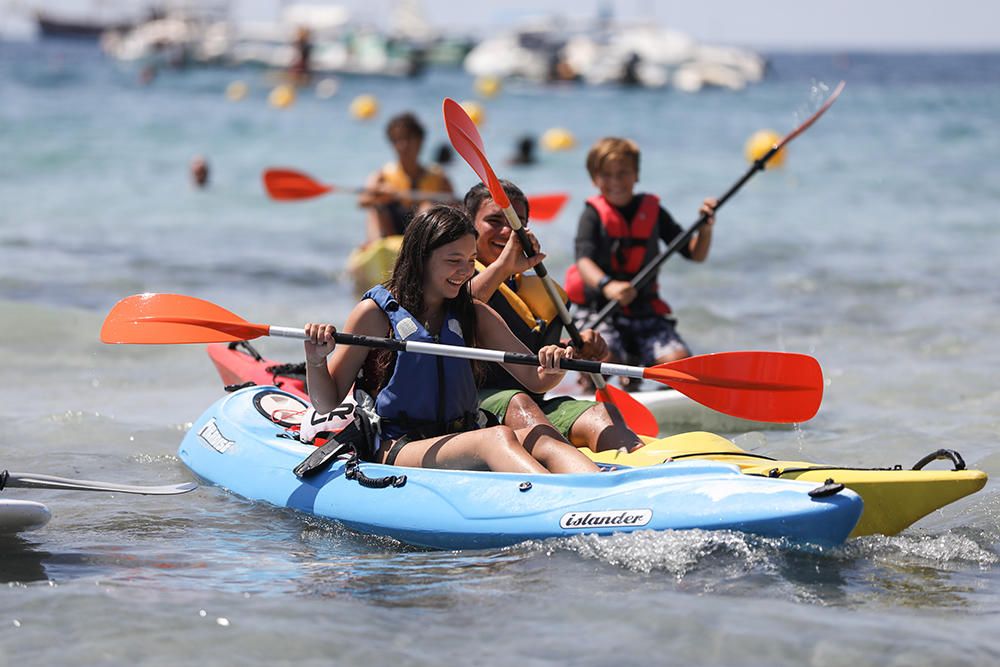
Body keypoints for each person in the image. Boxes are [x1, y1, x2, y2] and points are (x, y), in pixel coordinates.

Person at [304, 205, 599, 474]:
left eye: (471, 260)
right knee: (497, 437)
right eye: (453, 260)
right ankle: (558, 504)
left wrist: (553, 365)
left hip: (463, 434)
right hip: (399, 446)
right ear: (420, 259)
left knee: (542, 441)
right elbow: (326, 402)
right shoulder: (374, 314)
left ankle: (604, 495)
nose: (466, 271)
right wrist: (316, 359)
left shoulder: (473, 312)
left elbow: (535, 379)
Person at [466, 180, 643, 453]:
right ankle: (570, 468)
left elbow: (535, 364)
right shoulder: (455, 279)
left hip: (532, 404)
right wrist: (503, 267)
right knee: (519, 403)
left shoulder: (540, 291)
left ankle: (639, 467)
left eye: (516, 223)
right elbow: (461, 308)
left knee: (602, 414)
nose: (506, 231)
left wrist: (570, 350)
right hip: (470, 405)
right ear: (469, 227)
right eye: (493, 220)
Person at [566, 137, 718, 389]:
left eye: (623, 173)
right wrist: (608, 285)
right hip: (601, 310)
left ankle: (643, 383)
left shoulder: (653, 210)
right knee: (600, 364)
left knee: (679, 367)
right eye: (607, 175)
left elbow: (695, 254)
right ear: (595, 179)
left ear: (636, 175)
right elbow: (583, 262)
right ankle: (595, 386)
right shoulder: (591, 215)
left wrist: (705, 229)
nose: (615, 182)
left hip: (644, 313)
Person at [359, 112, 455, 243]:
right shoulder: (382, 175)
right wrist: (379, 194)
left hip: (422, 233)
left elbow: (455, 207)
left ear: (420, 141)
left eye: (408, 139)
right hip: (389, 233)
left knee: (427, 207)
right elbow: (363, 201)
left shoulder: (439, 177)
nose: (403, 146)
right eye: (397, 140)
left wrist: (436, 202)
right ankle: (379, 249)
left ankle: (419, 248)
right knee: (377, 209)